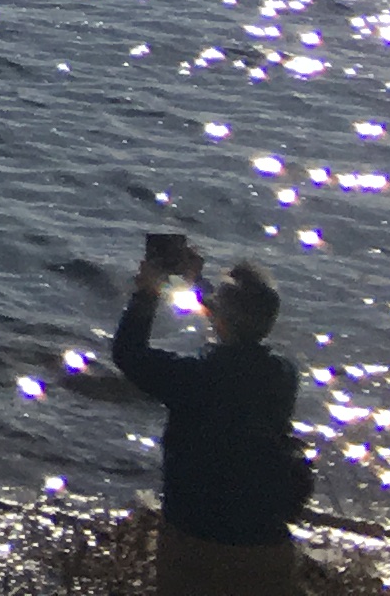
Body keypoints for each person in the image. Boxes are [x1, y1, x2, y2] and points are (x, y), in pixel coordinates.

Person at [112, 233, 309, 593]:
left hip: (198, 542)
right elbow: (238, 329)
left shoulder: (192, 378)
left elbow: (128, 353)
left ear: (222, 317)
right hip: (266, 544)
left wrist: (147, 291)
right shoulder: (282, 375)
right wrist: (198, 285)